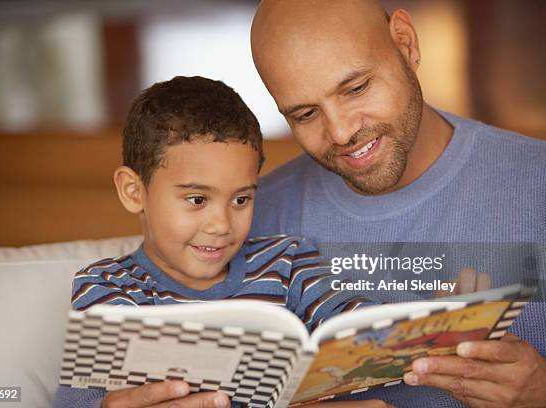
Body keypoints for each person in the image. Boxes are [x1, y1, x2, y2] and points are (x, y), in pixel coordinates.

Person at [248, 1, 546, 407]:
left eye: (355, 88)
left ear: (406, 43)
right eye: (306, 113)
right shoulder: (251, 219)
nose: (342, 131)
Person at [53, 76, 388, 408]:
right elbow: (78, 399)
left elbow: (351, 322)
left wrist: (396, 333)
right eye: (197, 199)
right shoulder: (110, 288)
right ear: (133, 191)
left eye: (240, 200)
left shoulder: (287, 263)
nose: (221, 225)